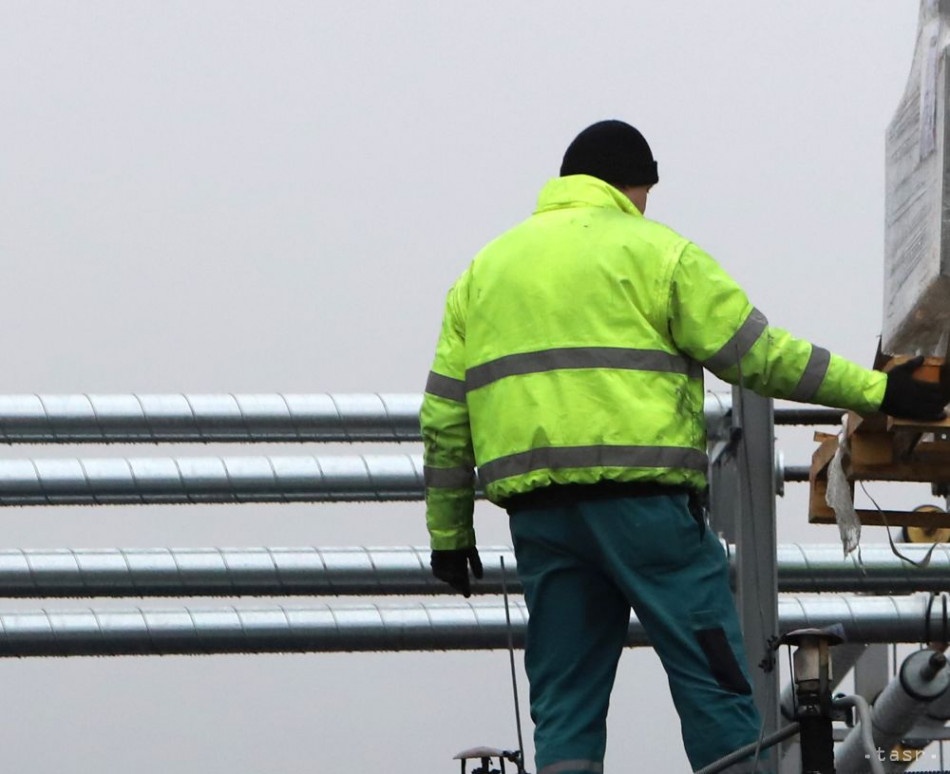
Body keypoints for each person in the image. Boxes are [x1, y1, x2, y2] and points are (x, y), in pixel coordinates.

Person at [419, 119, 948, 774]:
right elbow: (760, 356)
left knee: (565, 699)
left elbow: (444, 417)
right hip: (647, 511)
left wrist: (448, 533)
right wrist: (880, 392)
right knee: (712, 679)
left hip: (543, 520)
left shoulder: (484, 272)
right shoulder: (658, 253)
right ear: (634, 186)